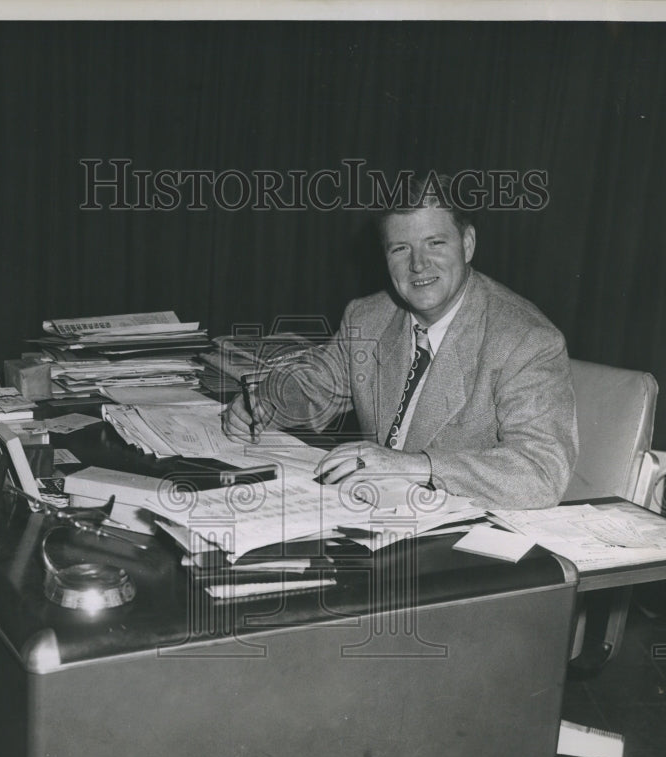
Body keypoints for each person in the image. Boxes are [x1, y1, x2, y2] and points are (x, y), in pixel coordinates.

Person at [222, 174, 577, 508]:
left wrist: (416, 466)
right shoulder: (369, 317)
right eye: (400, 249)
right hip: (371, 514)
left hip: (463, 535)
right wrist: (264, 402)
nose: (418, 265)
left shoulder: (525, 339)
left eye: (435, 243)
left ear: (467, 244)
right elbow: (317, 387)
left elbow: (541, 473)